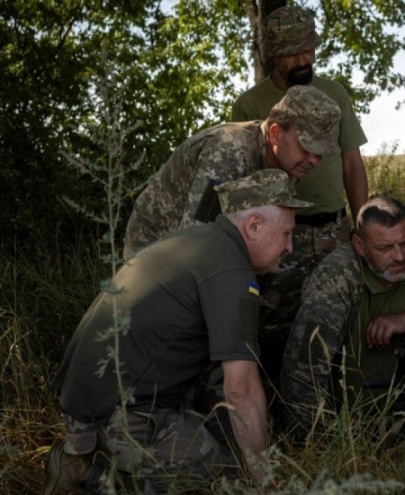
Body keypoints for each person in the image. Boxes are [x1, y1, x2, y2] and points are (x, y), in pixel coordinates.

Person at [44, 169, 307, 494]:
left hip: (79, 403)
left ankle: (84, 454)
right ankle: (93, 477)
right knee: (230, 479)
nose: (290, 247)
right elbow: (241, 390)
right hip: (118, 416)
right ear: (253, 226)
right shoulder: (231, 271)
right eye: (286, 234)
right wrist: (263, 479)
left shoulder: (192, 241)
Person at [280, 196, 405, 437]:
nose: (399, 256)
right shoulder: (336, 278)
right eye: (385, 248)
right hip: (351, 426)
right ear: (359, 245)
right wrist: (327, 444)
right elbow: (302, 375)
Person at [232, 6, 369, 341]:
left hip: (335, 231)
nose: (303, 60)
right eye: (292, 54)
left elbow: (352, 163)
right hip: (280, 237)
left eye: (308, 50)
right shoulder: (250, 105)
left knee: (342, 322)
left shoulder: (334, 94)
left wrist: (362, 226)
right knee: (275, 326)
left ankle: (335, 392)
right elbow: (246, 181)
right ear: (274, 55)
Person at [123, 84, 341, 257]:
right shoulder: (227, 153)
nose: (313, 160)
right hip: (157, 245)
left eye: (320, 152)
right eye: (306, 147)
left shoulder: (289, 161)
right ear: (275, 134)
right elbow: (195, 240)